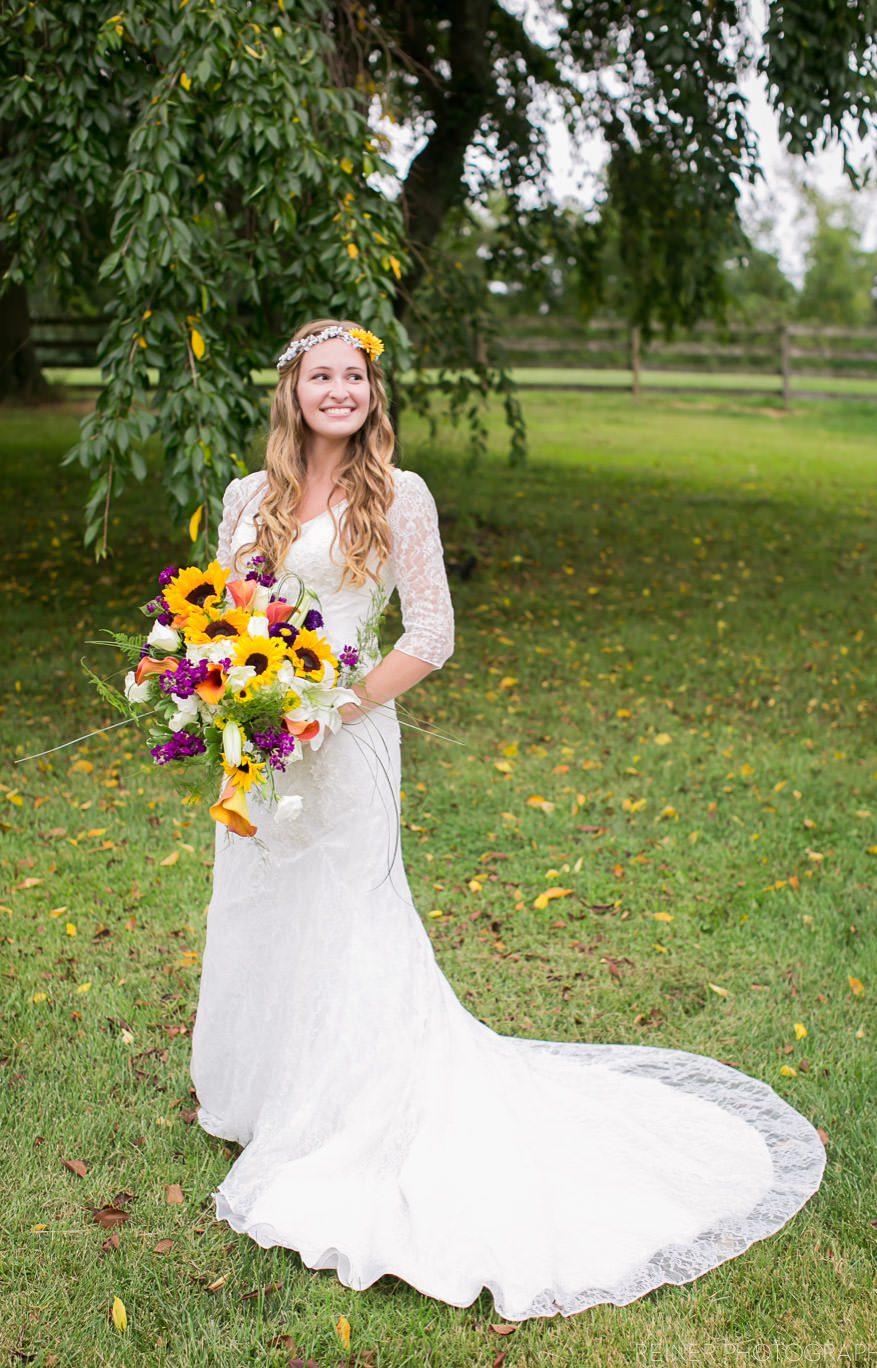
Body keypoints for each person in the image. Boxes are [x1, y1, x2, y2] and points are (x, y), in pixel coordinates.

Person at [190, 317, 827, 1322]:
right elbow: (224, 615)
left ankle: (349, 1108)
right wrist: (230, 691)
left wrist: (333, 707)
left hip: (347, 742)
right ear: (293, 390)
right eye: (323, 375)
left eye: (356, 375)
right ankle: (265, 1094)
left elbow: (432, 633)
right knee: (264, 899)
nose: (341, 390)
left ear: (372, 392)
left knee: (350, 916)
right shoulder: (243, 498)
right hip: (259, 747)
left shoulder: (399, 497)